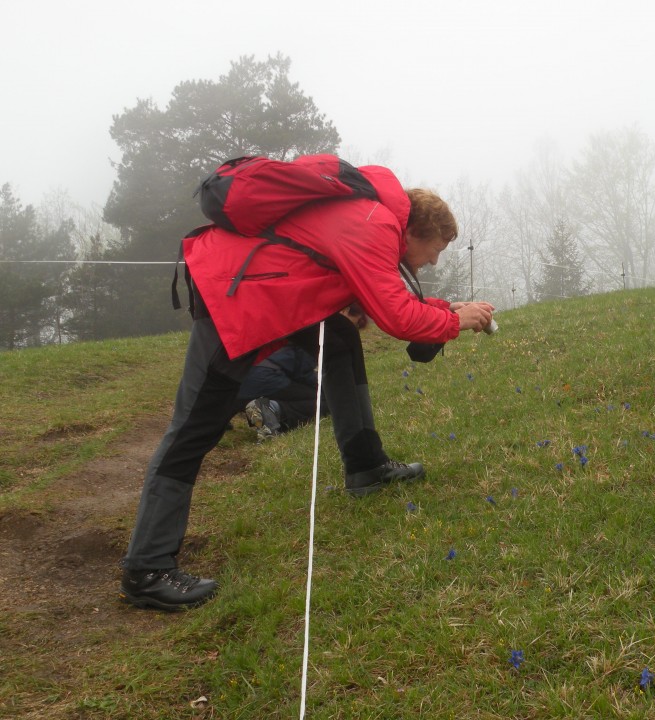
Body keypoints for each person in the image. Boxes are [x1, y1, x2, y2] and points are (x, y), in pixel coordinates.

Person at [119, 162, 495, 611]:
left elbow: (382, 298)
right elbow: (396, 316)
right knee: (193, 430)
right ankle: (148, 568)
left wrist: (446, 309)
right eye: (435, 251)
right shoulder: (374, 225)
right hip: (234, 298)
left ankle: (366, 466)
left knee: (338, 340)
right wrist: (454, 321)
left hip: (268, 289)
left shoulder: (371, 218)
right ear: (414, 231)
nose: (433, 261)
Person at [239, 304, 368, 441]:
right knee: (326, 401)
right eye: (357, 323)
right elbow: (302, 371)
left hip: (244, 380)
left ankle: (264, 407)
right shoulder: (321, 330)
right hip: (268, 377)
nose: (354, 329)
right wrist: (323, 387)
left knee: (305, 393)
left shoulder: (302, 318)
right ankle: (271, 409)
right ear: (344, 311)